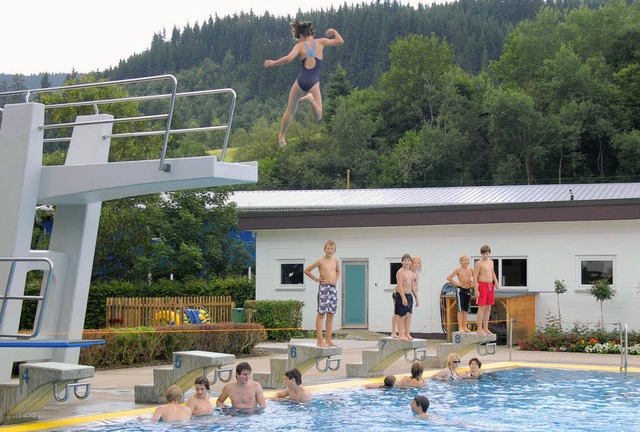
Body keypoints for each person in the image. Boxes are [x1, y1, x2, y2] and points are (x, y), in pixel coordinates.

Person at [263, 20, 344, 147]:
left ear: (301, 35)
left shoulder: (299, 46)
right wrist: (334, 31)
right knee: (318, 117)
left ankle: (281, 138)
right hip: (314, 82)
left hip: (301, 80)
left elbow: (289, 58)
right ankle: (311, 100)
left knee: (290, 110)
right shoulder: (321, 42)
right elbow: (340, 41)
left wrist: (274, 62)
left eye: (298, 38)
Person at [304, 240, 340, 347]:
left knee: (331, 314)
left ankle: (328, 339)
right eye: (328, 248)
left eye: (332, 249)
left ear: (334, 250)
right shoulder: (320, 261)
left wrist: (335, 279)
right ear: (324, 249)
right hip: (324, 288)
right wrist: (316, 279)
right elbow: (307, 270)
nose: (330, 250)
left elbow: (337, 271)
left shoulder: (335, 261)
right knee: (321, 313)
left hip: (333, 288)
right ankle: (320, 341)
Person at [473, 245, 499, 335]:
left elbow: (492, 272)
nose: (485, 256)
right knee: (482, 307)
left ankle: (485, 327)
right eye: (483, 254)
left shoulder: (491, 262)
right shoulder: (479, 263)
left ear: (489, 254)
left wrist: (496, 281)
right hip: (482, 285)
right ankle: (479, 328)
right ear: (481, 254)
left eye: (487, 254)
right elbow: (475, 277)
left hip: (490, 285)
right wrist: (476, 289)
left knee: (489, 307)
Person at [447, 253, 474, 332]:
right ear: (460, 262)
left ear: (468, 261)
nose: (464, 262)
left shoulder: (471, 270)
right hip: (460, 290)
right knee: (460, 309)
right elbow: (449, 277)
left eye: (465, 260)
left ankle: (465, 326)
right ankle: (460, 327)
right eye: (462, 260)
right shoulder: (458, 269)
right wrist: (457, 284)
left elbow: (476, 278)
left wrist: (472, 284)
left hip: (468, 290)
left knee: (466, 309)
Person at [395, 253, 419, 341]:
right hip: (401, 295)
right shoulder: (400, 272)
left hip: (409, 295)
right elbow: (399, 286)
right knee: (402, 315)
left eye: (408, 260)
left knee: (409, 315)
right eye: (405, 260)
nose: (407, 262)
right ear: (402, 262)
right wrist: (403, 297)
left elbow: (413, 287)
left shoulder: (411, 273)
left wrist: (416, 298)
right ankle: (400, 334)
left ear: (410, 262)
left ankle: (407, 333)